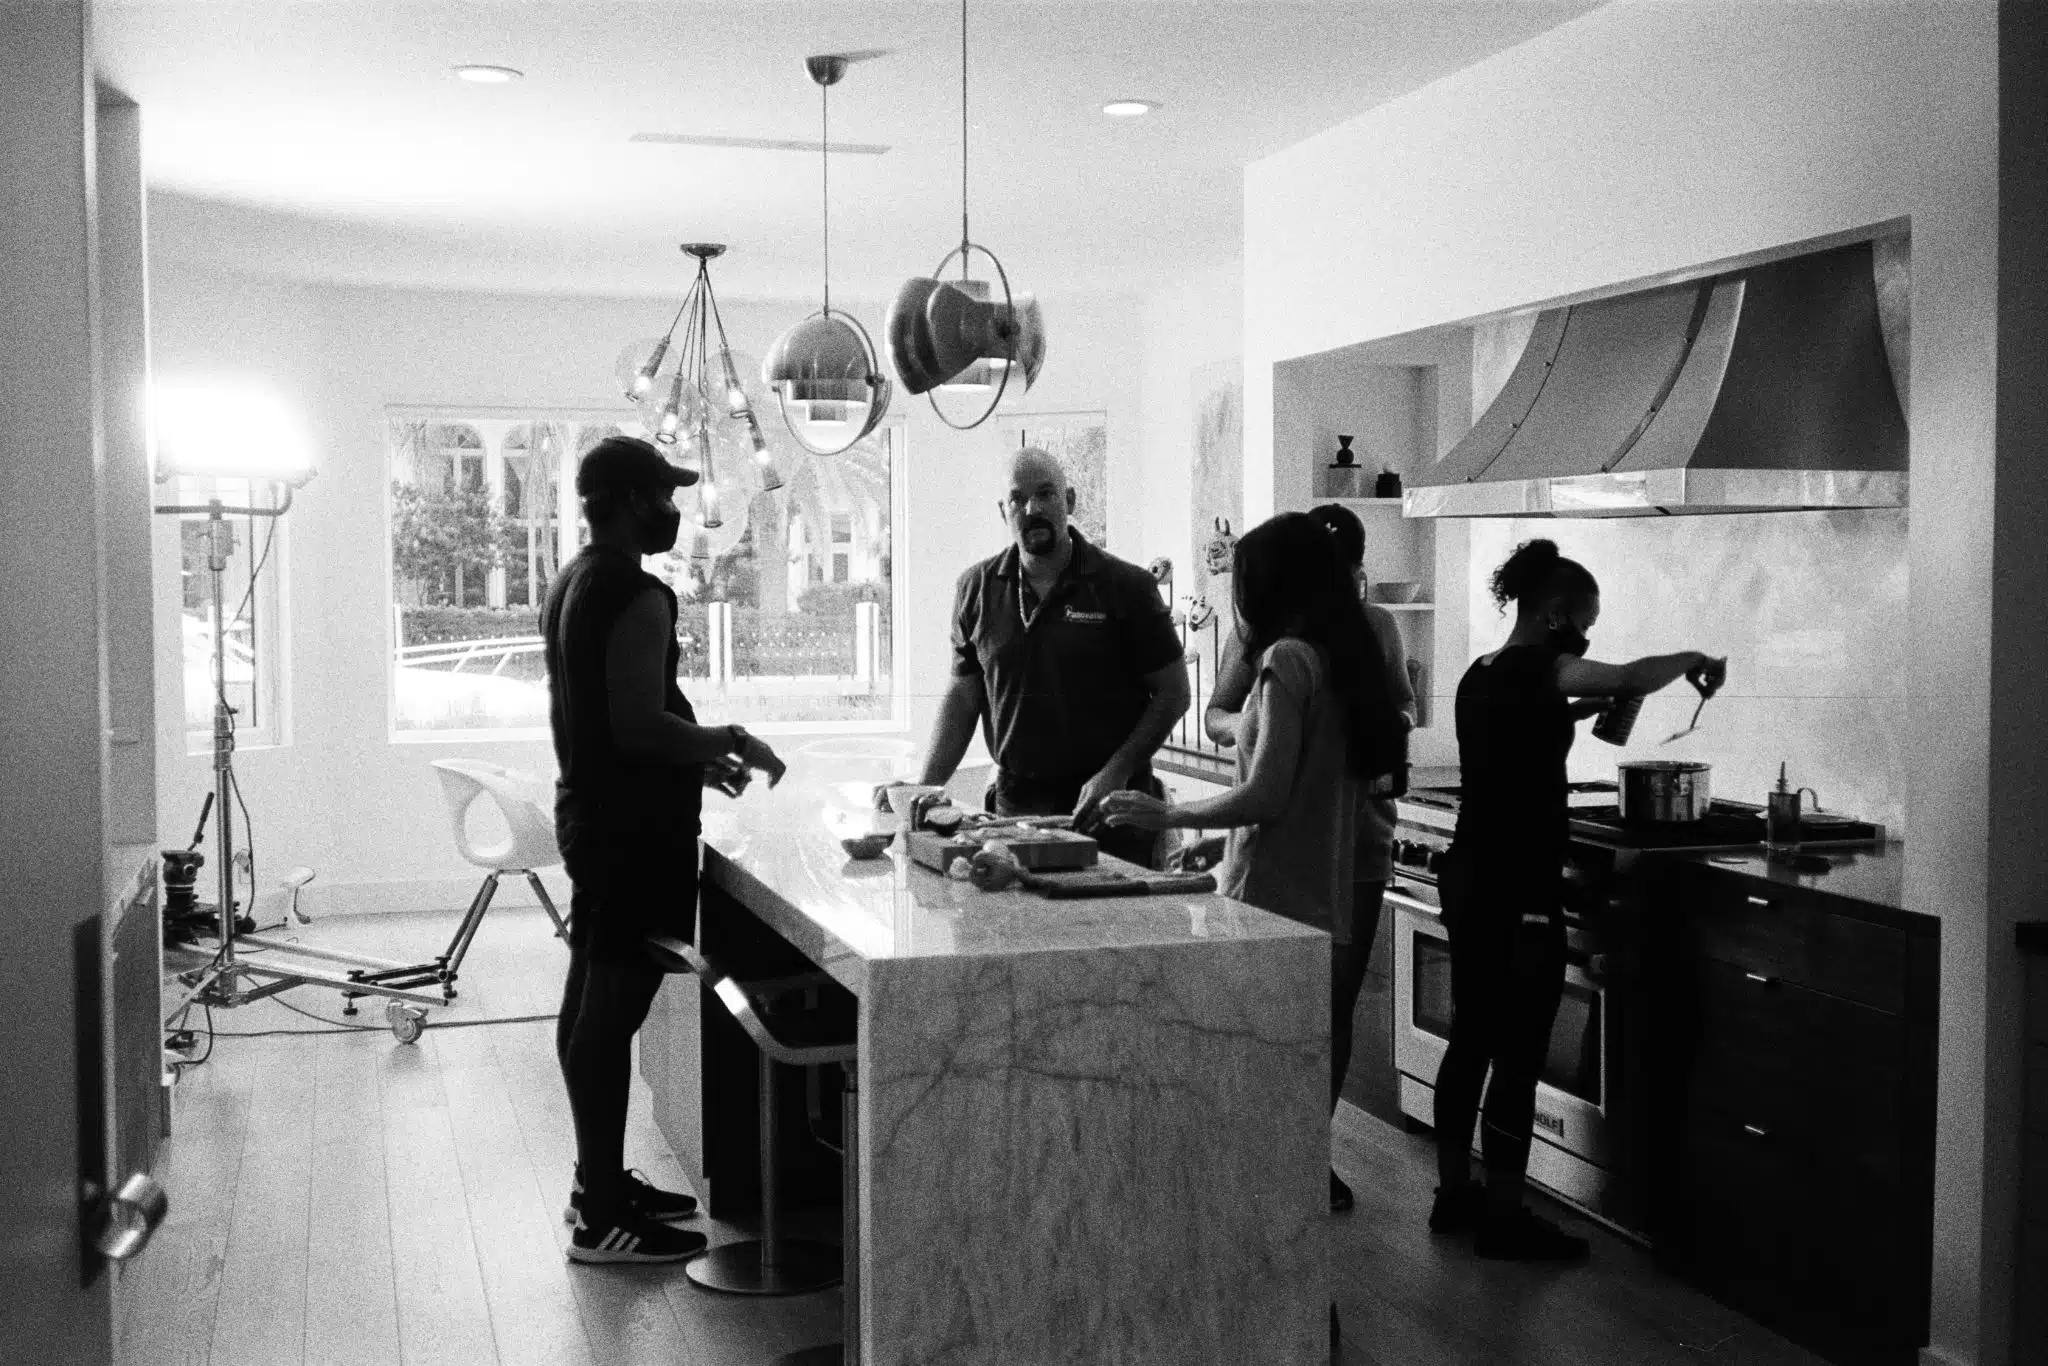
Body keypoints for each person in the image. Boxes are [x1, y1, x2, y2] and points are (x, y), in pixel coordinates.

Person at [1432, 537, 1723, 1261]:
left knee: (1471, 1040)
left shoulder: (1486, 671)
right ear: (1557, 612)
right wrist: (1688, 662)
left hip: (1471, 877)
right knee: (1520, 1053)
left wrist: (1602, 700)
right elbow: (1622, 673)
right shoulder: (1543, 665)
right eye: (1584, 620)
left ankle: (1454, 1195)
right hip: (1519, 888)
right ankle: (1504, 1218)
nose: (1588, 635)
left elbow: (1547, 706)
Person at [542, 435, 786, 1265]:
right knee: (611, 1018)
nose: (675, 509)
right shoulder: (640, 594)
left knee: (587, 1008)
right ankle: (603, 1217)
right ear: (629, 500)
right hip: (634, 838)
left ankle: (597, 1181)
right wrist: (734, 739)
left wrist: (694, 754)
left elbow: (615, 722)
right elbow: (637, 723)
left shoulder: (573, 581)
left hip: (592, 817)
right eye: (663, 494)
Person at [1201, 503, 1414, 1213]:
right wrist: (1261, 732)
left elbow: (1390, 723)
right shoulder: (1285, 650)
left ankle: (1298, 1158)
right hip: (1315, 846)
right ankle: (1291, 1164)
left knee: (1317, 1015)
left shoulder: (1340, 641)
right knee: (1295, 1018)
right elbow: (1222, 720)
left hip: (1332, 853)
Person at [1097, 508, 1404, 982]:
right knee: (1311, 1046)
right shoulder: (1343, 661)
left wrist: (1168, 815)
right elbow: (1308, 801)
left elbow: (1267, 794)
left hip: (1270, 902)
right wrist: (1225, 842)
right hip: (1324, 901)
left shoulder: (1287, 660)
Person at [894, 446, 1191, 866]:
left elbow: (1174, 694)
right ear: (1004, 511)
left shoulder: (1127, 587)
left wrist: (1118, 770)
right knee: (1020, 926)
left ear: (1069, 501)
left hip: (1112, 809)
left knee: (1117, 928)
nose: (1032, 508)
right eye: (1018, 498)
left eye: (1046, 494)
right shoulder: (976, 588)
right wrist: (924, 790)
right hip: (1017, 809)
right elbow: (964, 697)